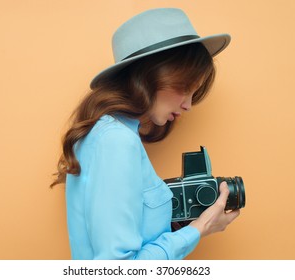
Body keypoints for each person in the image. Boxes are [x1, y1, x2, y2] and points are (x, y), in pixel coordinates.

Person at [51, 8, 240, 260]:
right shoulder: (116, 141)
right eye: (184, 88)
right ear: (148, 77)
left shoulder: (111, 135)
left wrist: (173, 225)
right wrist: (198, 229)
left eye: (194, 93)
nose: (188, 105)